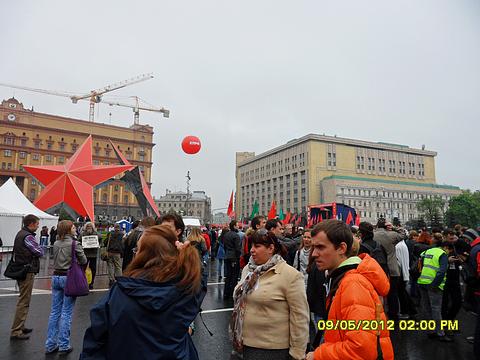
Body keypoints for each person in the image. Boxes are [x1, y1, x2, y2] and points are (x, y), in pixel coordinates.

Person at [79, 225, 207, 360]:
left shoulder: (120, 293)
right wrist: (186, 258)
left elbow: (95, 342)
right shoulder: (186, 291)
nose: (135, 253)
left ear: (144, 255)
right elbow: (200, 281)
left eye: (137, 249)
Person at [306, 220, 393, 360]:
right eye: (313, 248)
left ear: (341, 248)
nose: (314, 254)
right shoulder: (343, 279)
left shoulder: (353, 284)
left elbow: (361, 350)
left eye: (320, 247)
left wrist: (317, 355)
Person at [231, 228, 309, 360]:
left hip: (271, 350)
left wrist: (297, 353)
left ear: (271, 248)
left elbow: (300, 318)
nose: (251, 250)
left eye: (257, 246)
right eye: (251, 246)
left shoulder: (290, 275)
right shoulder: (248, 270)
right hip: (242, 345)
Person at [45, 220, 87, 355]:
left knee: (54, 311)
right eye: (73, 227)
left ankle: (50, 344)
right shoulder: (75, 243)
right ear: (69, 230)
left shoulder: (56, 243)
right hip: (68, 278)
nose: (75, 229)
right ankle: (64, 345)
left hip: (56, 276)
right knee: (66, 312)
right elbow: (84, 260)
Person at [10, 214, 44, 340]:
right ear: (31, 224)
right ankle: (16, 330)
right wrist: (40, 248)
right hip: (26, 270)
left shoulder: (21, 233)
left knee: (24, 299)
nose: (38, 226)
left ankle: (21, 325)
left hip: (21, 268)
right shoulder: (28, 236)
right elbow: (39, 251)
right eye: (37, 223)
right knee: (24, 301)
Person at [417, 236, 453, 342]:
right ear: (446, 247)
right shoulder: (442, 254)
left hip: (422, 282)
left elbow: (420, 263)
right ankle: (440, 333)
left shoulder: (428, 251)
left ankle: (430, 331)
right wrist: (435, 284)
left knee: (427, 307)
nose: (449, 253)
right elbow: (441, 271)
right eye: (449, 251)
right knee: (436, 309)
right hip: (433, 285)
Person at [373, 218, 404, 321]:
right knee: (393, 293)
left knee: (378, 293)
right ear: (386, 226)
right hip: (392, 268)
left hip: (377, 267)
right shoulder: (392, 235)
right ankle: (394, 315)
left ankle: (380, 315)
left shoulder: (373, 235)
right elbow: (403, 234)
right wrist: (393, 227)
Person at [223, 220, 242, 299]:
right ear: (234, 226)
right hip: (234, 257)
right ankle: (232, 292)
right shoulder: (236, 235)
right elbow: (237, 248)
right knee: (234, 275)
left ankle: (226, 292)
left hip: (227, 256)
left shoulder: (226, 234)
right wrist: (238, 257)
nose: (238, 226)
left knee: (228, 275)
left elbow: (224, 246)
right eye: (237, 225)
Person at [79, 222, 100, 289]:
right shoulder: (82, 234)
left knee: (93, 269)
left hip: (93, 254)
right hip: (85, 254)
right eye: (87, 227)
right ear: (85, 227)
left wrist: (98, 243)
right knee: (83, 269)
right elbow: (78, 241)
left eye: (90, 227)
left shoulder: (96, 234)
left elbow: (100, 238)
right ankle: (82, 282)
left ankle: (91, 283)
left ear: (93, 227)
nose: (89, 228)